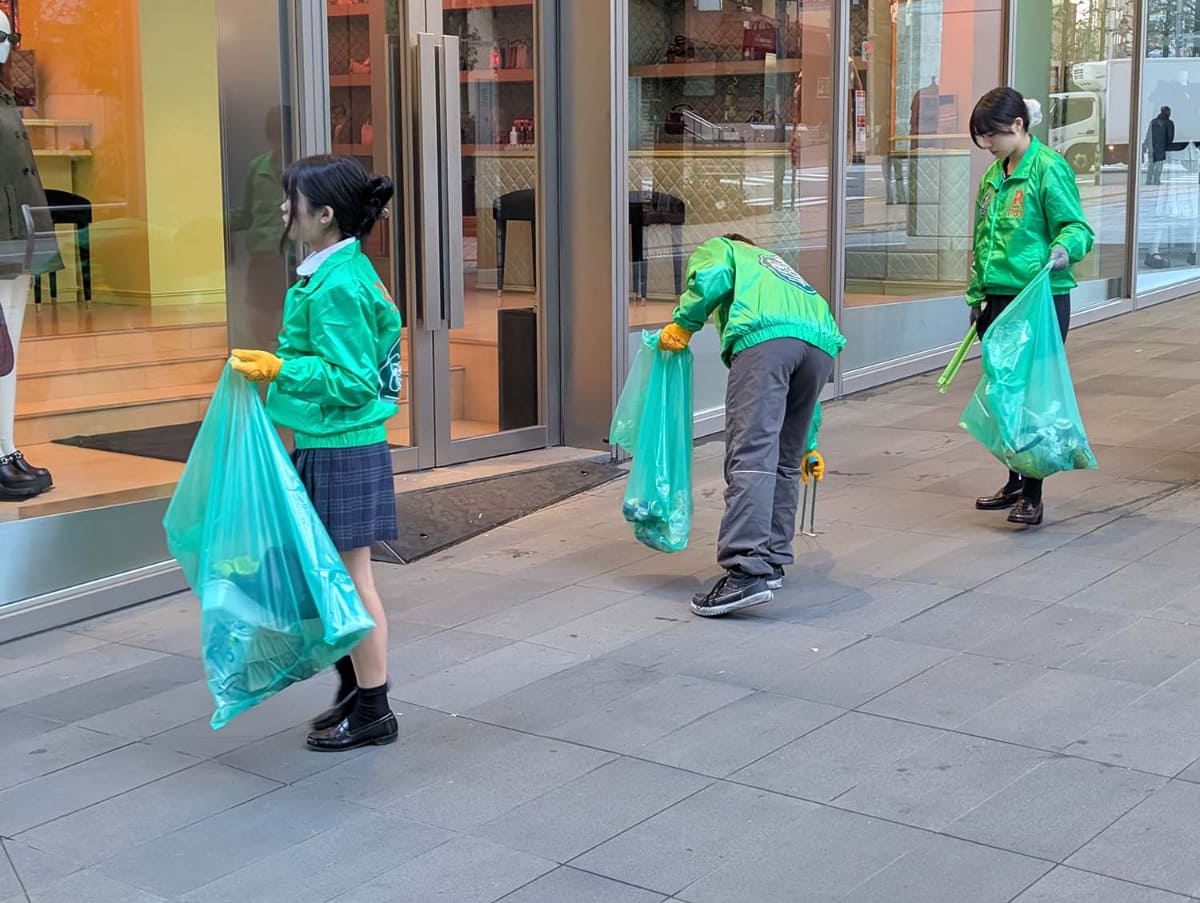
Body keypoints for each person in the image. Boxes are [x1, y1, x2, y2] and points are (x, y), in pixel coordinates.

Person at [230, 155, 402, 752]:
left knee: (351, 581)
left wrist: (281, 367)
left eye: (293, 201)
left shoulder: (338, 285)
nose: (284, 210)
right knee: (338, 577)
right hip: (332, 444)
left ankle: (373, 707)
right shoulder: (331, 271)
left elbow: (351, 380)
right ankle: (356, 694)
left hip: (342, 448)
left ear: (325, 215)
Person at [659, 234, 846, 617]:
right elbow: (804, 411)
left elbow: (709, 275)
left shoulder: (725, 247)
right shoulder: (778, 268)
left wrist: (685, 323)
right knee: (783, 459)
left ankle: (745, 572)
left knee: (751, 455)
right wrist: (808, 444)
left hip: (768, 339)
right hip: (821, 346)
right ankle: (773, 559)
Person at [966, 87, 1094, 527]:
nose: (988, 144)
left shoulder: (1048, 168)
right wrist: (975, 296)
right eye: (983, 138)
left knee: (1032, 396)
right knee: (1005, 392)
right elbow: (983, 239)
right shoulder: (995, 175)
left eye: (993, 135)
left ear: (1018, 125)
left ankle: (1034, 493)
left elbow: (1076, 226)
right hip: (999, 298)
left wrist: (1063, 249)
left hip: (1038, 297)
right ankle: (1015, 479)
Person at [1146, 106, 1174, 186]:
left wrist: (1147, 144)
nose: (1169, 114)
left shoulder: (1154, 122)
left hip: (1153, 146)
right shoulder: (1169, 123)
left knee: (1152, 164)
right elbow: (1170, 137)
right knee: (1157, 164)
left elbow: (1148, 134)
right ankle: (1155, 180)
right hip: (1160, 147)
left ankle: (1150, 180)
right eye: (1168, 112)